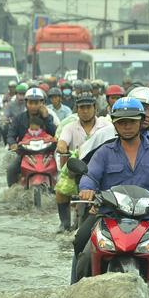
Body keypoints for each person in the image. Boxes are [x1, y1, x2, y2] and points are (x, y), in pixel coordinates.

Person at [72, 98, 149, 283]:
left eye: (131, 121)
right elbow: (90, 175)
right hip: (108, 215)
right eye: (121, 122)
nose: (127, 126)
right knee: (80, 242)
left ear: (140, 121)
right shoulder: (104, 152)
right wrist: (87, 189)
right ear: (114, 124)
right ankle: (76, 288)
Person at [55, 91, 110, 232]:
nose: (85, 111)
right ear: (77, 110)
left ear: (95, 108)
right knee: (60, 191)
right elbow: (62, 141)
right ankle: (64, 223)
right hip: (77, 169)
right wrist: (61, 146)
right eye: (81, 108)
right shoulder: (70, 127)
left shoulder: (106, 125)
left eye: (88, 107)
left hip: (104, 167)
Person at [6, 88, 56, 186]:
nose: (33, 106)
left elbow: (55, 133)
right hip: (25, 152)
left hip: (46, 153)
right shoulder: (19, 118)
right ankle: (12, 191)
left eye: (36, 103)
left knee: (62, 168)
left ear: (42, 103)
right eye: (31, 103)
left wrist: (46, 118)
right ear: (26, 103)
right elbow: (11, 135)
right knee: (11, 169)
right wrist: (13, 144)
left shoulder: (48, 117)